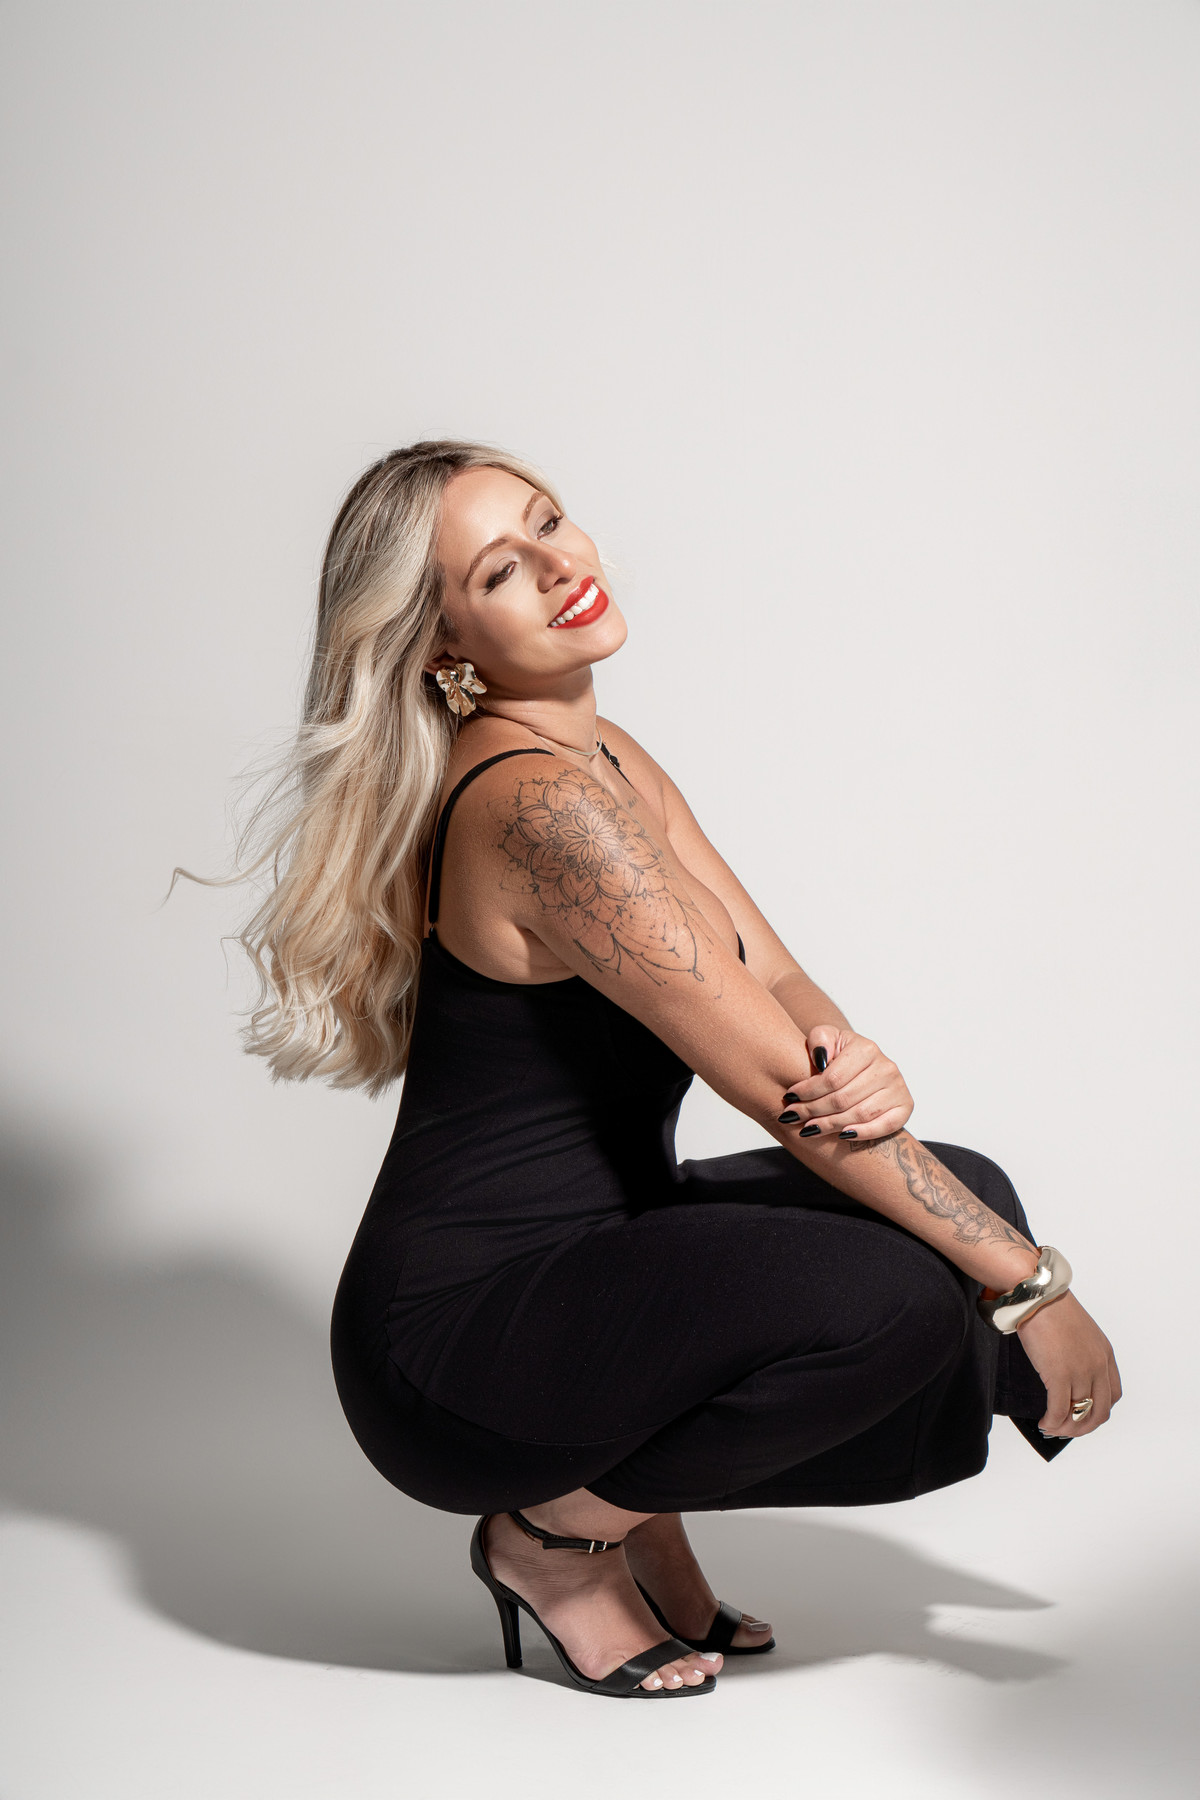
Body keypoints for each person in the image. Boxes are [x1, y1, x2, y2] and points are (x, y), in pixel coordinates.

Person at [234, 440, 1121, 1700]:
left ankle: (640, 1511)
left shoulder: (604, 758)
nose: (560, 566)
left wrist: (845, 1059)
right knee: (905, 1301)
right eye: (500, 570)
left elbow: (780, 982)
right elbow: (769, 1088)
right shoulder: (538, 809)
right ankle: (555, 1538)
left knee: (963, 1186)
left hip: (603, 1246)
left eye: (549, 523)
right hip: (461, 1335)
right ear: (442, 642)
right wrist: (1031, 1290)